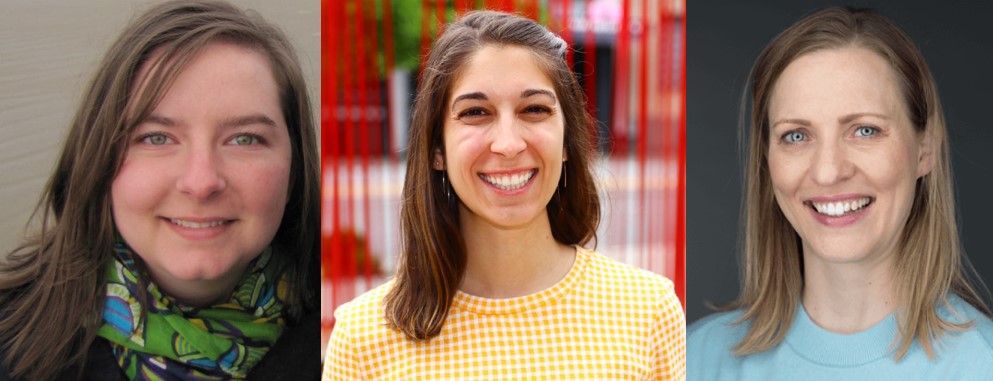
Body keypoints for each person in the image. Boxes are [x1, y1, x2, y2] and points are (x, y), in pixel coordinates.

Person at [323, 10, 684, 380]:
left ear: (567, 142)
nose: (509, 144)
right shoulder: (363, 340)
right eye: (476, 112)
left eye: (534, 110)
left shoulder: (648, 312)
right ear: (437, 150)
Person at [0, 1, 320, 379]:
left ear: (294, 169)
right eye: (156, 137)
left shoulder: (372, 340)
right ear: (101, 162)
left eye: (244, 139)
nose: (200, 183)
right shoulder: (13, 346)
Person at [687, 7, 993, 380]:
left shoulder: (981, 363)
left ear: (925, 148)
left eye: (865, 130)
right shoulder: (694, 361)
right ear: (767, 161)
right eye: (796, 136)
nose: (828, 172)